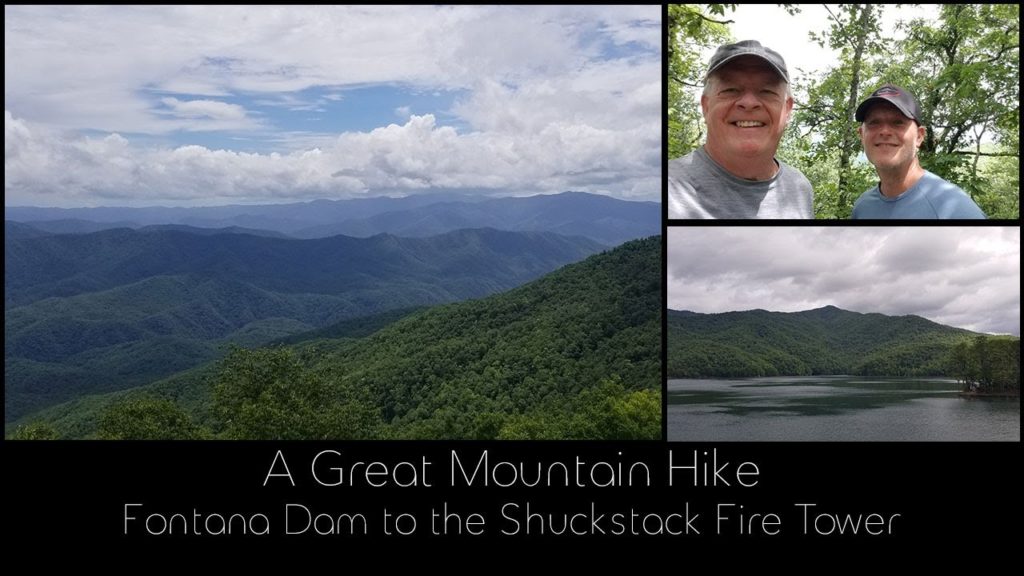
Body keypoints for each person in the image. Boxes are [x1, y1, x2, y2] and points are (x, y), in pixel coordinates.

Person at [668, 40, 813, 219]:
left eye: (767, 91)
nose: (749, 103)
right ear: (706, 106)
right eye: (731, 89)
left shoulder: (799, 188)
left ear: (787, 110)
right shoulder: (670, 188)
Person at [852, 84, 986, 219]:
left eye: (898, 122)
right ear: (861, 135)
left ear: (919, 136)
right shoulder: (862, 208)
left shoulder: (955, 209)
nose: (885, 131)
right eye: (874, 122)